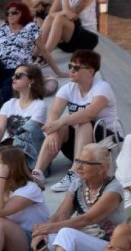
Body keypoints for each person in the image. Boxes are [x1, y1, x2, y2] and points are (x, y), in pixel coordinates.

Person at [1, 143, 124, 251]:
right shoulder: (78, 183)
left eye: (85, 163)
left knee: (65, 232)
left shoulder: (114, 189)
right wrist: (43, 232)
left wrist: (45, 227)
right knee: (51, 235)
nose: (78, 166)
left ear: (102, 168)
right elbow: (60, 214)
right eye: (78, 161)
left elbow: (87, 219)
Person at [31, 49, 120, 193]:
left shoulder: (102, 87)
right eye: (70, 66)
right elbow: (54, 113)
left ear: (90, 72)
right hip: (81, 146)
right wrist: (54, 130)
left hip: (106, 142)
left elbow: (90, 114)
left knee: (82, 121)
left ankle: (76, 173)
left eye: (76, 68)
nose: (71, 70)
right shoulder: (68, 88)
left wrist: (62, 121)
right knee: (62, 126)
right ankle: (37, 173)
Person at [35, 0, 99, 77]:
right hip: (68, 39)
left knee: (59, 18)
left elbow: (71, 15)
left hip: (86, 38)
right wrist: (63, 3)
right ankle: (34, 54)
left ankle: (44, 56)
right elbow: (51, 15)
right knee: (50, 18)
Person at [0, 64, 47, 170]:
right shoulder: (9, 104)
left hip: (26, 151)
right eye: (13, 75)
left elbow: (30, 133)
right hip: (6, 148)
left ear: (31, 80)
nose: (13, 78)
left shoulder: (39, 105)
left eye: (18, 76)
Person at [0, 2, 39, 108]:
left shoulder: (31, 27)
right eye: (8, 13)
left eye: (14, 12)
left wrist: (57, 71)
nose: (10, 15)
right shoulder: (3, 27)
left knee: (11, 84)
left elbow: (43, 49)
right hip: (1, 67)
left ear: (23, 13)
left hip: (18, 68)